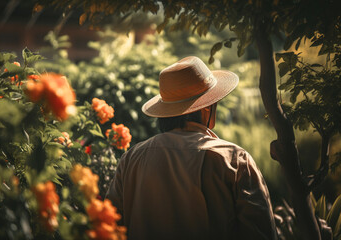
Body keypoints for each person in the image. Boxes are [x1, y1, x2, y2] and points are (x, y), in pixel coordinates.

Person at [106, 56, 277, 240]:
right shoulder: (233, 159)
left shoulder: (132, 158)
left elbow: (108, 225)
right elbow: (262, 233)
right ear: (206, 108)